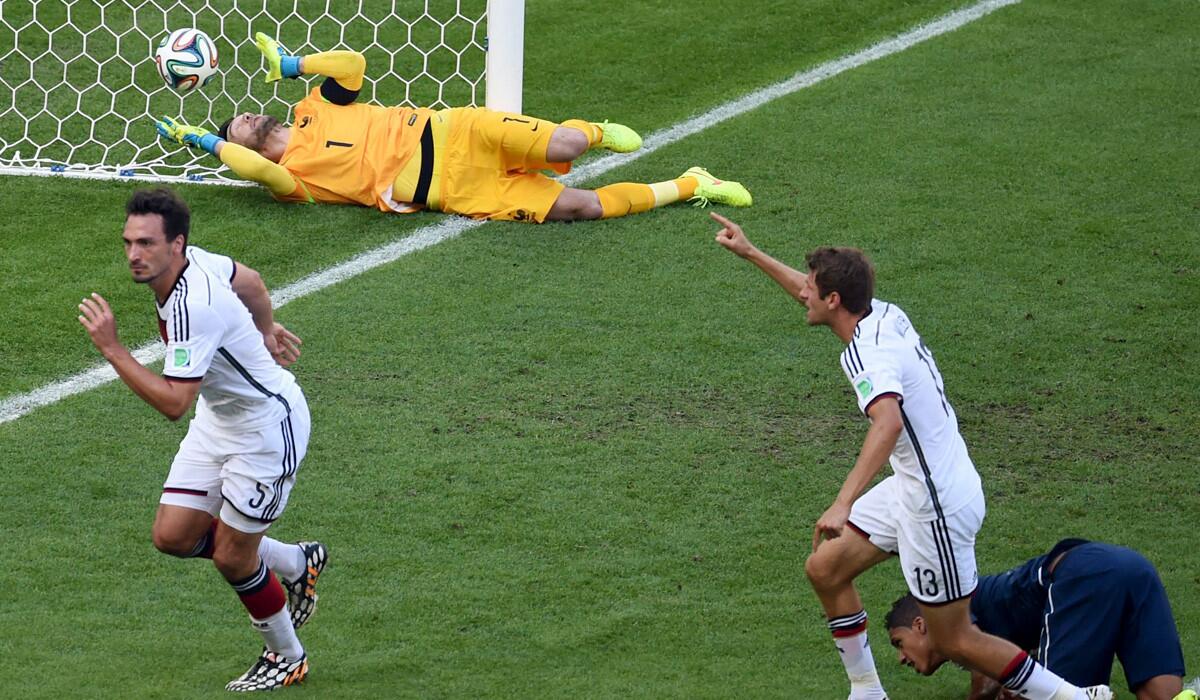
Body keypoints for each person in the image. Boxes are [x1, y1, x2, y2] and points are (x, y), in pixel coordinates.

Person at [710, 211, 1112, 700]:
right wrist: (751, 253)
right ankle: (867, 690)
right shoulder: (883, 314)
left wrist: (843, 501)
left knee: (955, 639)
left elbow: (888, 422)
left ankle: (1076, 698)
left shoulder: (867, 354)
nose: (804, 294)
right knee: (826, 569)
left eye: (813, 289)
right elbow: (811, 291)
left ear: (834, 301)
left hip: (934, 502)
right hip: (917, 482)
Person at [78, 188, 328, 692]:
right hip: (219, 420)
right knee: (172, 536)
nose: (133, 254)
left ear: (176, 244)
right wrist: (264, 329)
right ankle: (298, 562)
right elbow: (252, 281)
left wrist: (114, 349)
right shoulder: (198, 261)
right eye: (128, 242)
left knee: (233, 557)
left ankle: (287, 656)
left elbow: (173, 403)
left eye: (146, 243)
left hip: (265, 431)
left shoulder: (195, 305)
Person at [153, 33, 752, 223]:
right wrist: (208, 143)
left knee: (566, 143)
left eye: (248, 112)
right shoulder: (295, 180)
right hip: (453, 193)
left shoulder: (315, 104)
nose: (251, 117)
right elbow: (253, 169)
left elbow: (354, 65)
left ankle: (589, 132)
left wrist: (292, 65)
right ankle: (692, 182)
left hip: (456, 132)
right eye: (241, 127)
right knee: (581, 208)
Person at [885, 539, 1190, 700]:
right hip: (1134, 567)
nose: (901, 657)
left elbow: (987, 681)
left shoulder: (953, 606)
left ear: (920, 625)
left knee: (1059, 696)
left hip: (1082, 572)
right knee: (1164, 696)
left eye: (899, 642)